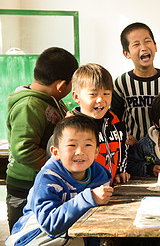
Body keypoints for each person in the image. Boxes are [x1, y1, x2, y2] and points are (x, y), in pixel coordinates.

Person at [6, 115, 113, 246]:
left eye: (88, 144)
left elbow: (95, 224)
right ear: (55, 152)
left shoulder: (99, 175)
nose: (80, 151)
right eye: (72, 145)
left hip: (73, 236)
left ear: (97, 151)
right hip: (36, 236)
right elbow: (50, 224)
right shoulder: (47, 178)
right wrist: (88, 198)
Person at [6, 47, 78, 232]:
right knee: (25, 233)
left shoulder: (52, 99)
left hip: (43, 181)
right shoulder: (29, 105)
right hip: (25, 186)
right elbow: (24, 149)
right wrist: (55, 166)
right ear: (62, 85)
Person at [111, 22, 160, 142]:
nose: (144, 47)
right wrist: (124, 138)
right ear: (126, 53)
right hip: (132, 150)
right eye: (136, 44)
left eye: (147, 41)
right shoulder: (121, 83)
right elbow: (115, 119)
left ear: (155, 46)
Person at [69, 63, 130, 185]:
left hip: (111, 191)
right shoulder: (70, 129)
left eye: (106, 94)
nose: (100, 100)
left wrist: (120, 171)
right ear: (76, 97)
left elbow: (123, 148)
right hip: (83, 195)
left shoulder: (115, 123)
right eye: (93, 94)